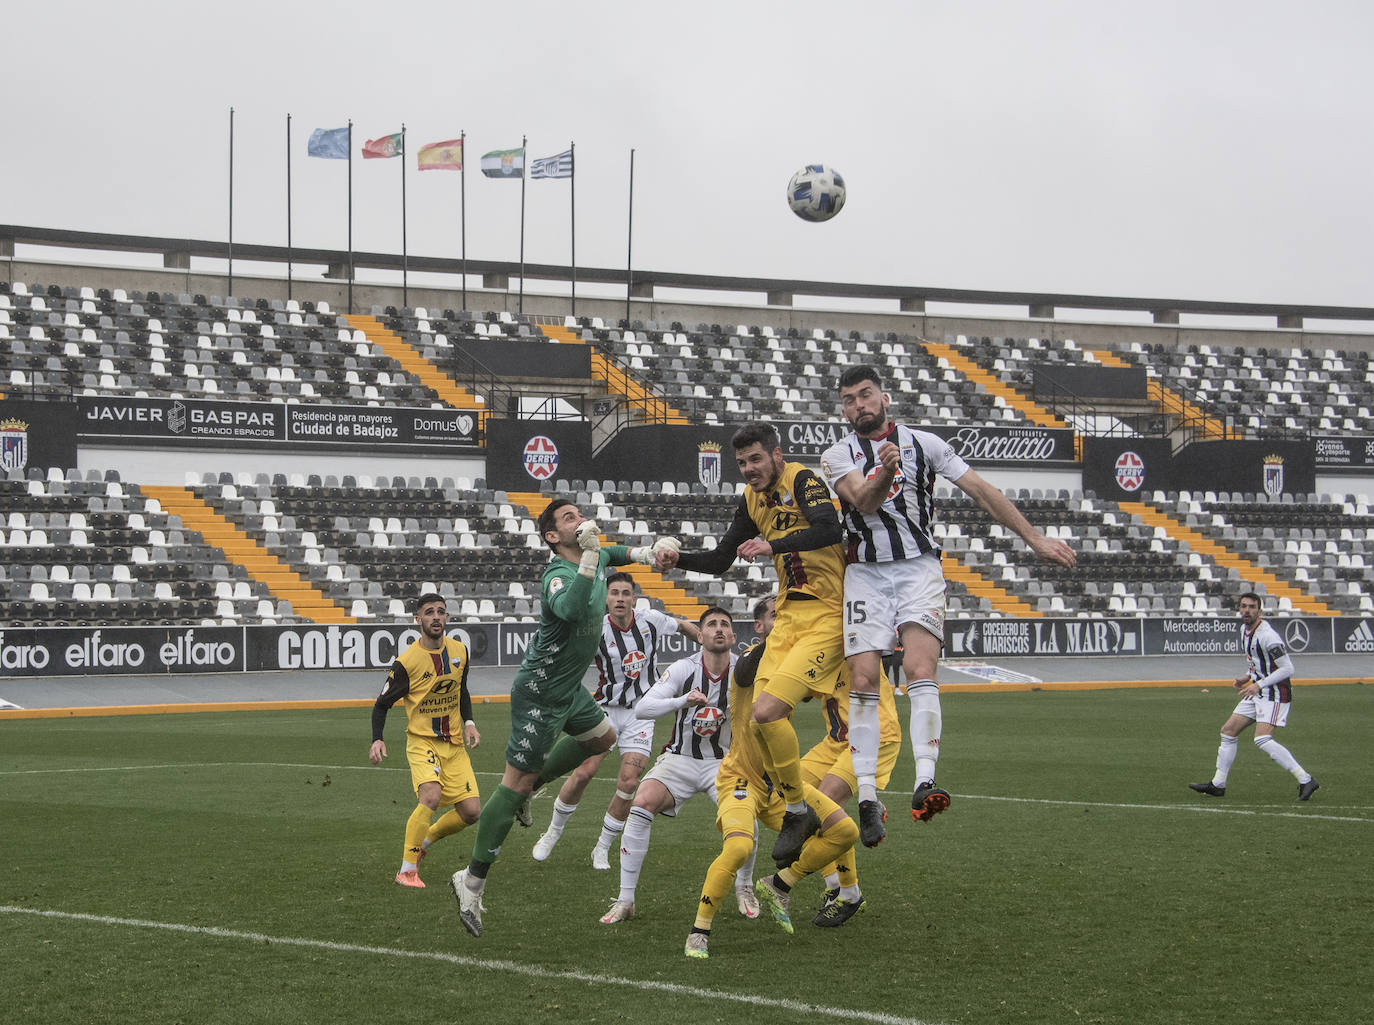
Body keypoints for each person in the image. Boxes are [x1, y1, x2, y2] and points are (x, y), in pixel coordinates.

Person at [820, 365, 1077, 843]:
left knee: (921, 669)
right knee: (862, 678)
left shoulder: (926, 444)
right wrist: (887, 471)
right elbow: (864, 500)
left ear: (885, 398)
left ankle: (924, 782)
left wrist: (1035, 539)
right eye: (850, 399)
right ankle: (870, 797)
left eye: (867, 395)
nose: (860, 405)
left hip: (918, 568)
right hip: (864, 573)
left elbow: (982, 491)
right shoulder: (838, 455)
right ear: (843, 408)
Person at [450, 499, 679, 937]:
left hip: (569, 691)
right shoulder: (557, 574)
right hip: (540, 693)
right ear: (554, 537)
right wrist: (593, 555)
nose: (581, 519)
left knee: (602, 739)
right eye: (569, 517)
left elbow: (622, 553)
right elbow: (572, 609)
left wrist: (655, 552)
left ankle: (533, 787)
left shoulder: (596, 556)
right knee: (510, 785)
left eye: (579, 512)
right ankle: (471, 882)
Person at [659, 422, 847, 868]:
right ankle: (800, 812)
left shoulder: (802, 479)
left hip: (826, 613)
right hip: (787, 617)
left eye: (756, 459)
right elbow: (723, 557)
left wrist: (772, 544)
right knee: (758, 715)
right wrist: (678, 558)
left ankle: (814, 807)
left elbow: (829, 529)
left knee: (768, 712)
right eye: (742, 463)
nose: (748, 469)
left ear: (777, 456)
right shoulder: (750, 499)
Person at [684, 597, 860, 959]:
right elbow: (745, 673)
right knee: (739, 848)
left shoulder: (792, 668)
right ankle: (699, 930)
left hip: (781, 785)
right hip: (742, 779)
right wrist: (781, 635)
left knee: (844, 831)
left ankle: (785, 885)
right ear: (760, 628)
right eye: (777, 617)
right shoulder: (749, 663)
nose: (788, 622)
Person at [531, 573, 702, 870]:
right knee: (584, 772)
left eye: (626, 593)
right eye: (614, 593)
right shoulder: (594, 627)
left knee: (629, 782)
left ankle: (602, 847)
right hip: (605, 710)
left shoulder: (650, 620)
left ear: (634, 598)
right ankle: (552, 833)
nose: (620, 598)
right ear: (606, 598)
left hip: (641, 713)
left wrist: (704, 642)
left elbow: (683, 626)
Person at [599, 606, 754, 923]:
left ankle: (745, 886)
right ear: (701, 635)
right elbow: (643, 708)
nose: (719, 629)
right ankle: (625, 900)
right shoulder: (685, 669)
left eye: (725, 624)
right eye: (711, 624)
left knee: (743, 815)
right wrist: (682, 700)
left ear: (734, 637)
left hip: (726, 764)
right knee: (641, 804)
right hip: (680, 759)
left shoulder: (744, 670)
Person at [368, 592, 481, 888]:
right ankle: (406, 870)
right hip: (423, 742)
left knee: (471, 812)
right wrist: (377, 739)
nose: (436, 617)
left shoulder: (459, 651)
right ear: (418, 620)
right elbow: (381, 704)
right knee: (430, 796)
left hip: (454, 745)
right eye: (429, 612)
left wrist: (469, 722)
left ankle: (425, 841)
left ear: (447, 618)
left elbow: (461, 690)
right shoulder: (406, 663)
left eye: (441, 612)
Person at [798, 655, 902, 927]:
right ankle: (834, 883)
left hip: (873, 736)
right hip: (836, 742)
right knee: (786, 794)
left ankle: (849, 894)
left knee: (824, 806)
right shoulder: (811, 644)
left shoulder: (856, 637)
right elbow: (801, 692)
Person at [1189, 591, 1320, 802]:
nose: (1246, 610)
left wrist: (1257, 684)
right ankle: (1218, 784)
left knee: (1262, 739)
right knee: (1228, 731)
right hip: (1258, 690)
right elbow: (1259, 662)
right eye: (1243, 606)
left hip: (1275, 693)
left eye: (1251, 607)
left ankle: (1305, 779)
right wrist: (1246, 677)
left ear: (1260, 611)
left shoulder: (1268, 636)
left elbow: (1287, 668)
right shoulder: (1244, 630)